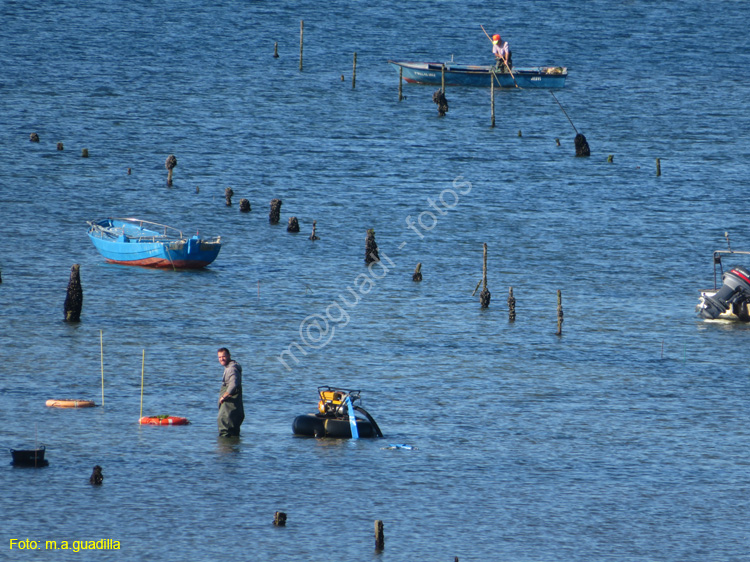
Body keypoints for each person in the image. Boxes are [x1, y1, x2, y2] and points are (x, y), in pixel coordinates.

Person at [217, 347, 244, 437]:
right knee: (233, 433)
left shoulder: (231, 369)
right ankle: (234, 449)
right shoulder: (230, 367)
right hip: (234, 408)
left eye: (223, 356)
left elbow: (233, 385)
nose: (221, 359)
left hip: (230, 407)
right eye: (219, 357)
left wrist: (224, 397)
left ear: (229, 356)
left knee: (225, 430)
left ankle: (227, 450)